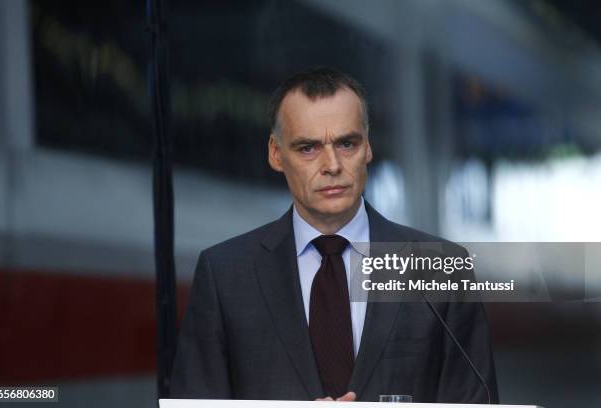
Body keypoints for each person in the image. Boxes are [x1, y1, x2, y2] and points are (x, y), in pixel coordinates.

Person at [169, 67, 499, 403]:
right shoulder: (224, 275)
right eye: (308, 148)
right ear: (275, 153)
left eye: (346, 143)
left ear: (367, 148)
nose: (332, 165)